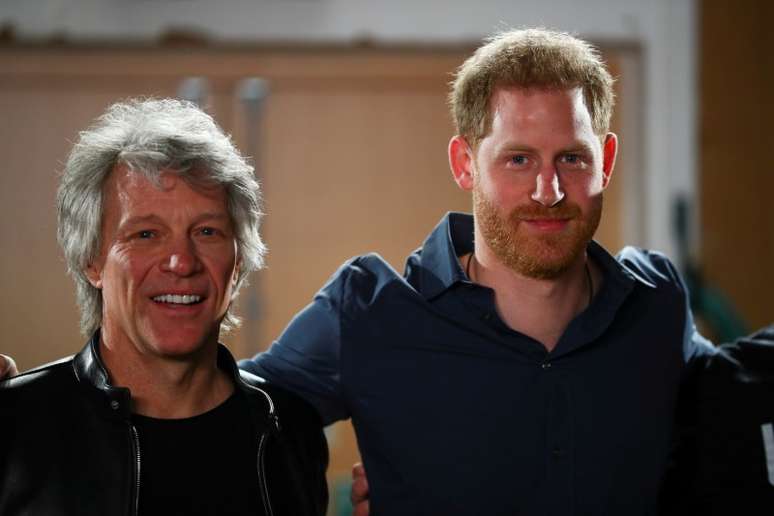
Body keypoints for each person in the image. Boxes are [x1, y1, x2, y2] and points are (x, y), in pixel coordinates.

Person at [237, 28, 715, 515]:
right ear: (465, 164)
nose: (547, 191)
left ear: (605, 161)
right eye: (518, 159)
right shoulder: (368, 311)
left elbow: (735, 418)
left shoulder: (657, 306)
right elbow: (211, 421)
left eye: (571, 158)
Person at [0, 99, 328, 516]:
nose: (182, 262)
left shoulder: (290, 430)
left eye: (207, 231)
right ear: (91, 261)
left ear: (239, 261)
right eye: (146, 234)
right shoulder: (13, 426)